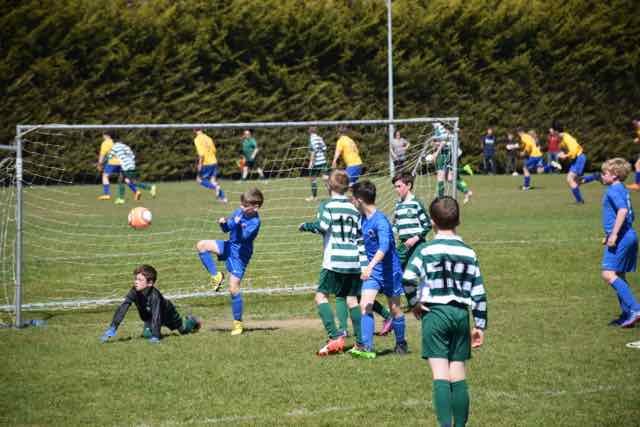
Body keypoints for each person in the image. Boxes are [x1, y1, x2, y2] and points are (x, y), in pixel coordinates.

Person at [403, 196, 487, 427]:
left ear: (432, 222)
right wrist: (480, 325)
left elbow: (408, 278)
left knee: (440, 374)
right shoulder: (468, 252)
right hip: (460, 315)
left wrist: (414, 303)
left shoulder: (425, 250)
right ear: (458, 220)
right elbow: (479, 292)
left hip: (435, 314)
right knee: (458, 372)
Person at [299, 169, 364, 355]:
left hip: (334, 261)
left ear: (328, 186)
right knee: (352, 299)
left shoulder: (327, 205)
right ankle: (361, 343)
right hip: (353, 261)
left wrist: (305, 226)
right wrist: (363, 263)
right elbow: (360, 237)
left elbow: (322, 226)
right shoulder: (354, 208)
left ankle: (334, 337)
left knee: (321, 296)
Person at [349, 180, 408, 359]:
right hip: (374, 272)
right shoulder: (363, 218)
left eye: (353, 198)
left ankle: (401, 342)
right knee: (365, 305)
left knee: (395, 310)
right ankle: (366, 347)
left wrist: (369, 266)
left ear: (360, 200)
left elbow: (384, 247)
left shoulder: (380, 221)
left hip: (390, 271)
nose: (352, 201)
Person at [196, 188, 264, 336]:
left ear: (256, 207)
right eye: (241, 204)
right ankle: (216, 276)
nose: (241, 207)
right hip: (229, 246)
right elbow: (226, 229)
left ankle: (238, 324)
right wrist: (223, 223)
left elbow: (243, 237)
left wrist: (237, 224)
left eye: (245, 205)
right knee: (201, 245)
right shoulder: (239, 212)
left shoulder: (255, 222)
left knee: (233, 289)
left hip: (240, 255)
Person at [100, 264, 201, 343]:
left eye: (140, 280)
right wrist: (113, 327)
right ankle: (152, 331)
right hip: (150, 317)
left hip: (168, 314)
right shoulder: (134, 291)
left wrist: (156, 336)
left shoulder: (155, 296)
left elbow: (157, 315)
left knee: (183, 331)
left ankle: (192, 321)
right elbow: (123, 307)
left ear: (150, 283)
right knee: (147, 335)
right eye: (136, 279)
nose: (136, 282)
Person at [599, 158, 640, 327]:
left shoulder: (613, 190)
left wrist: (614, 235)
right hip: (628, 235)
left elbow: (623, 211)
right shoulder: (622, 188)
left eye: (605, 173)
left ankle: (636, 309)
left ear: (615, 175)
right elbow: (630, 214)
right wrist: (609, 234)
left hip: (622, 237)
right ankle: (627, 314)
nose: (602, 176)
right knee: (619, 274)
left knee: (608, 273)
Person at [392, 172, 431, 309]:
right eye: (395, 187)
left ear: (408, 185)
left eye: (399, 186)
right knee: (398, 271)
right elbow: (397, 225)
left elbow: (427, 224)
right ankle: (412, 301)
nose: (396, 189)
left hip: (417, 244)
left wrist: (415, 238)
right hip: (403, 245)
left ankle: (426, 299)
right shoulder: (398, 205)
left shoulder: (416, 203)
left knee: (419, 273)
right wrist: (390, 234)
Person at [432, 123, 473, 204]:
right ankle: (466, 191)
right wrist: (435, 145)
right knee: (449, 178)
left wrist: (436, 153)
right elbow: (443, 141)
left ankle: (440, 200)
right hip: (450, 154)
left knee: (440, 177)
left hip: (444, 154)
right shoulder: (442, 129)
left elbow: (443, 142)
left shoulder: (438, 128)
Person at [552, 122, 592, 204]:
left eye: (552, 131)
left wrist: (565, 156)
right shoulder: (561, 139)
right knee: (576, 181)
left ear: (556, 131)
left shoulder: (567, 138)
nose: (551, 133)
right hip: (576, 159)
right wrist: (562, 153)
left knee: (570, 179)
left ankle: (579, 201)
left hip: (579, 158)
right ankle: (595, 176)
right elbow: (565, 149)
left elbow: (574, 151)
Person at [107, 141, 156, 205]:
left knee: (133, 182)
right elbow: (133, 156)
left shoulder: (115, 147)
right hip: (131, 165)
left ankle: (150, 187)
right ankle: (121, 199)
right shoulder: (126, 147)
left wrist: (101, 163)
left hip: (126, 167)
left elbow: (109, 156)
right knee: (121, 180)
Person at [194, 129, 227, 203]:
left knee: (199, 179)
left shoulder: (197, 139)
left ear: (194, 130)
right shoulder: (208, 138)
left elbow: (201, 154)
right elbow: (214, 150)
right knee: (213, 180)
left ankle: (215, 187)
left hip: (206, 163)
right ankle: (223, 198)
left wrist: (200, 164)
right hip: (214, 161)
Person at [96, 131, 122, 200]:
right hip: (122, 162)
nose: (103, 136)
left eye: (103, 135)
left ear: (107, 136)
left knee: (105, 176)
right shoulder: (116, 142)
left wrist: (99, 164)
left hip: (112, 162)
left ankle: (107, 194)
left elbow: (102, 155)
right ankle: (136, 191)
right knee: (125, 178)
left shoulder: (105, 143)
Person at [306, 126, 329, 202]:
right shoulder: (320, 138)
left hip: (315, 163)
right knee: (326, 179)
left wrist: (311, 163)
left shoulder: (311, 139)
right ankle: (333, 196)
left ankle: (314, 197)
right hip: (323, 161)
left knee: (313, 179)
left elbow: (313, 151)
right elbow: (325, 148)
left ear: (309, 131)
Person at [625, 119, 640, 191]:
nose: (634, 125)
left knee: (637, 165)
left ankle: (637, 185)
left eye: (635, 123)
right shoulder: (638, 129)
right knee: (637, 165)